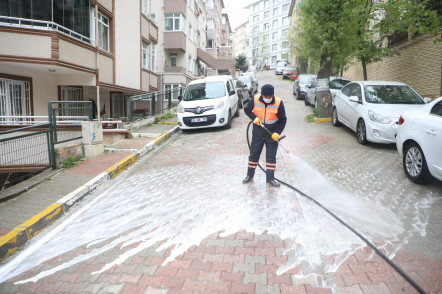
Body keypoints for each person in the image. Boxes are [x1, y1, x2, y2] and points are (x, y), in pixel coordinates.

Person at [243, 84, 287, 187]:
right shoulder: (255, 99)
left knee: (271, 157)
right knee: (254, 154)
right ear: (262, 94)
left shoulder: (278, 102)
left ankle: (270, 179)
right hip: (258, 133)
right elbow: (247, 109)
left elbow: (283, 120)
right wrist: (254, 118)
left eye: (269, 96)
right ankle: (249, 175)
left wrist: (277, 132)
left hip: (271, 135)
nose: (267, 98)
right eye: (265, 96)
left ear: (273, 95)